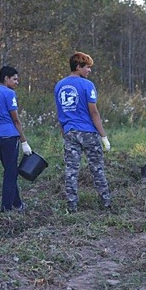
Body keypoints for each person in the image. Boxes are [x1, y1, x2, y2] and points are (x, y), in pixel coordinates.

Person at [54, 51, 112, 213]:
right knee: (97, 168)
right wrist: (103, 136)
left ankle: (71, 205)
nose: (89, 70)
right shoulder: (87, 85)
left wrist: (63, 132)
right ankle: (105, 202)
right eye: (87, 67)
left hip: (69, 132)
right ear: (78, 67)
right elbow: (93, 112)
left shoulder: (59, 86)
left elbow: (60, 112)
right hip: (88, 132)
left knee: (71, 170)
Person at [0, 66, 32, 213]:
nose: (17, 82)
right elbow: (16, 120)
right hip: (9, 136)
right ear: (6, 78)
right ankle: (6, 209)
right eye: (14, 79)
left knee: (9, 170)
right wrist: (24, 141)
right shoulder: (8, 93)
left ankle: (17, 204)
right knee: (11, 173)